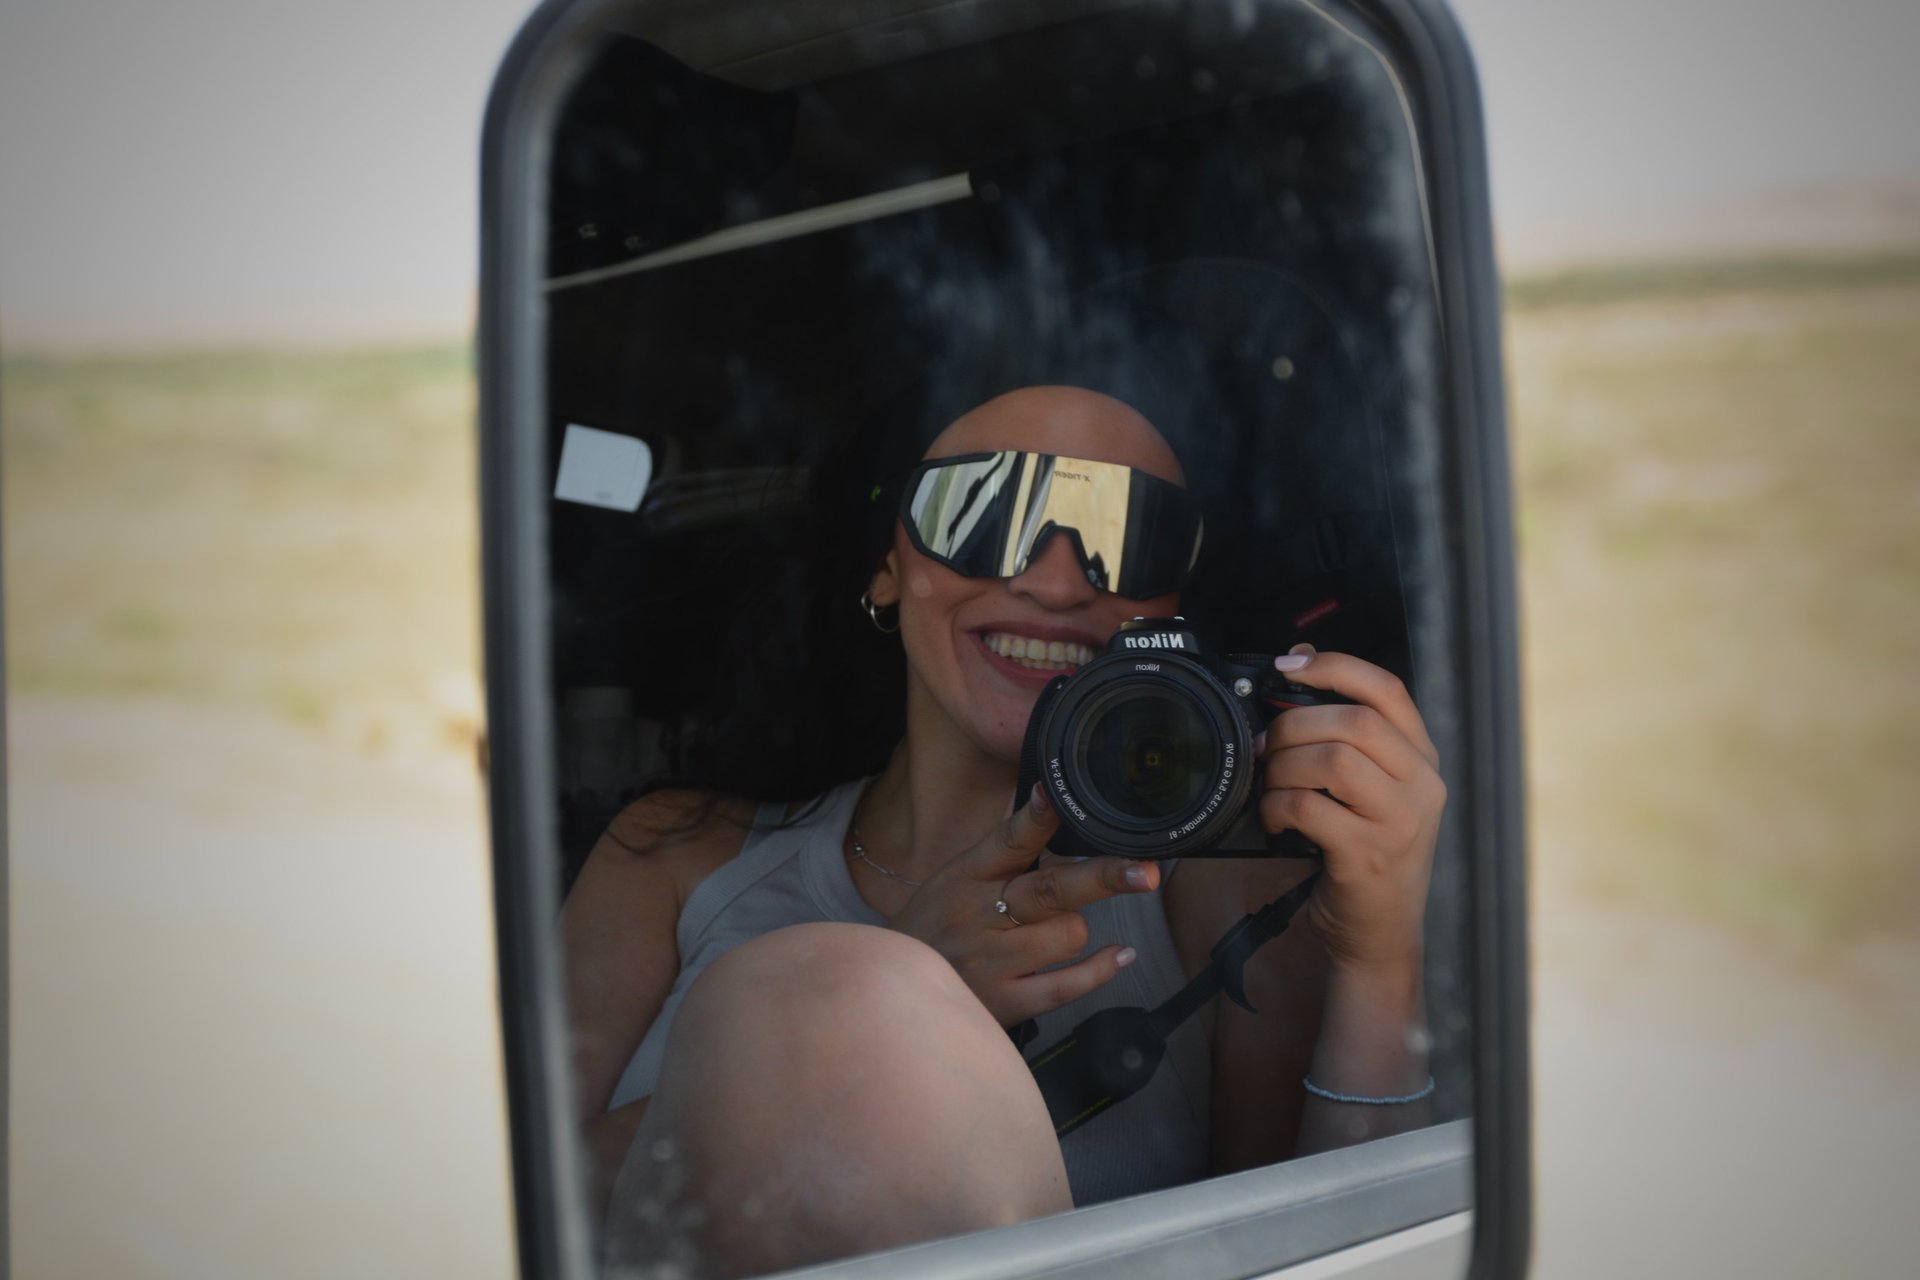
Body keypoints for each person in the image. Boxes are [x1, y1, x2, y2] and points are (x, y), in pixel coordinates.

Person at [563, 384, 1445, 1278]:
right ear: (886, 566)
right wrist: (892, 993)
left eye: (1128, 534)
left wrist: (1381, 955)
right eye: (985, 510)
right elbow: (491, 1207)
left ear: (1170, 608)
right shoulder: (675, 854)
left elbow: (1317, 1247)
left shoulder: (1221, 893)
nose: (1055, 583)